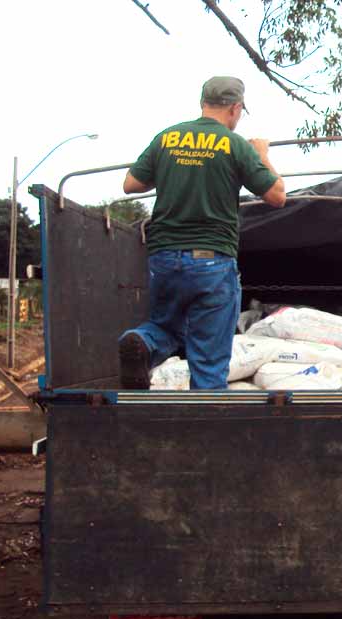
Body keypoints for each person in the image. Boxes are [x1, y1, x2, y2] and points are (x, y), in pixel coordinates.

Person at [118, 76, 286, 390]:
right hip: (212, 261)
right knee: (209, 360)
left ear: (202, 104)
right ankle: (205, 431)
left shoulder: (167, 138)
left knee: (167, 327)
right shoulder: (234, 145)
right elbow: (277, 196)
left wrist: (176, 169)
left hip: (164, 259)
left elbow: (131, 184)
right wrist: (261, 154)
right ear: (236, 109)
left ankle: (142, 341)